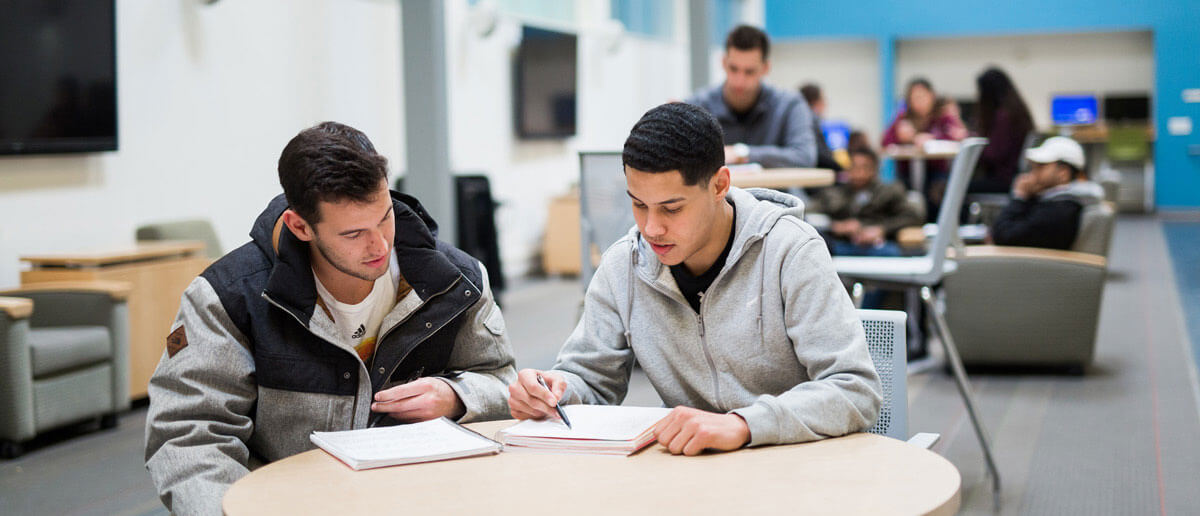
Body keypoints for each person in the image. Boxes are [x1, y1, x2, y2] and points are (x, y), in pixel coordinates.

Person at [145, 122, 517, 515]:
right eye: (353, 234)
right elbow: (190, 438)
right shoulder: (228, 297)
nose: (380, 245)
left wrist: (457, 397)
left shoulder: (456, 280)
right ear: (300, 226)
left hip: (422, 500)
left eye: (385, 217)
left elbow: (503, 382)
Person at [507, 102, 881, 456]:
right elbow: (590, 377)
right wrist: (557, 391)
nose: (651, 228)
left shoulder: (791, 251)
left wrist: (743, 425)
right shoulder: (624, 264)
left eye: (672, 208)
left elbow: (855, 390)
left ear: (719, 186)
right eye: (638, 205)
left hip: (794, 465)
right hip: (692, 471)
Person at [685, 25, 817, 168]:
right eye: (733, 69)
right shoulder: (697, 106)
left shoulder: (790, 104)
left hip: (777, 190)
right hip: (722, 190)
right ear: (723, 63)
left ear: (766, 68)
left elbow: (805, 157)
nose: (739, 81)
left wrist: (742, 153)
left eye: (749, 72)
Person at [991, 136, 1104, 250]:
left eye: (1040, 167)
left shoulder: (1059, 210)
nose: (1032, 174)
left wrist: (1020, 196)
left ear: (1063, 173)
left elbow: (1004, 236)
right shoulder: (1061, 201)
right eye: (1032, 167)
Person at [809, 147, 923, 258]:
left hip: (880, 247)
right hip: (842, 246)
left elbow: (913, 217)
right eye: (854, 167)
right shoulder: (834, 194)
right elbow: (809, 216)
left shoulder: (889, 192)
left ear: (874, 169)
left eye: (865, 167)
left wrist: (881, 230)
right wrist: (835, 227)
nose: (859, 173)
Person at [972, 67, 1035, 194]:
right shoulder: (1016, 111)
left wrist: (972, 143)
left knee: (952, 186)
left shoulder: (1004, 117)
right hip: (1010, 177)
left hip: (1003, 180)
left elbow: (994, 154)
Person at [799, 82, 842, 171]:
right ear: (815, 102)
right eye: (823, 99)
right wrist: (841, 169)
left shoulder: (804, 121)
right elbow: (819, 155)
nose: (826, 104)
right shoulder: (810, 122)